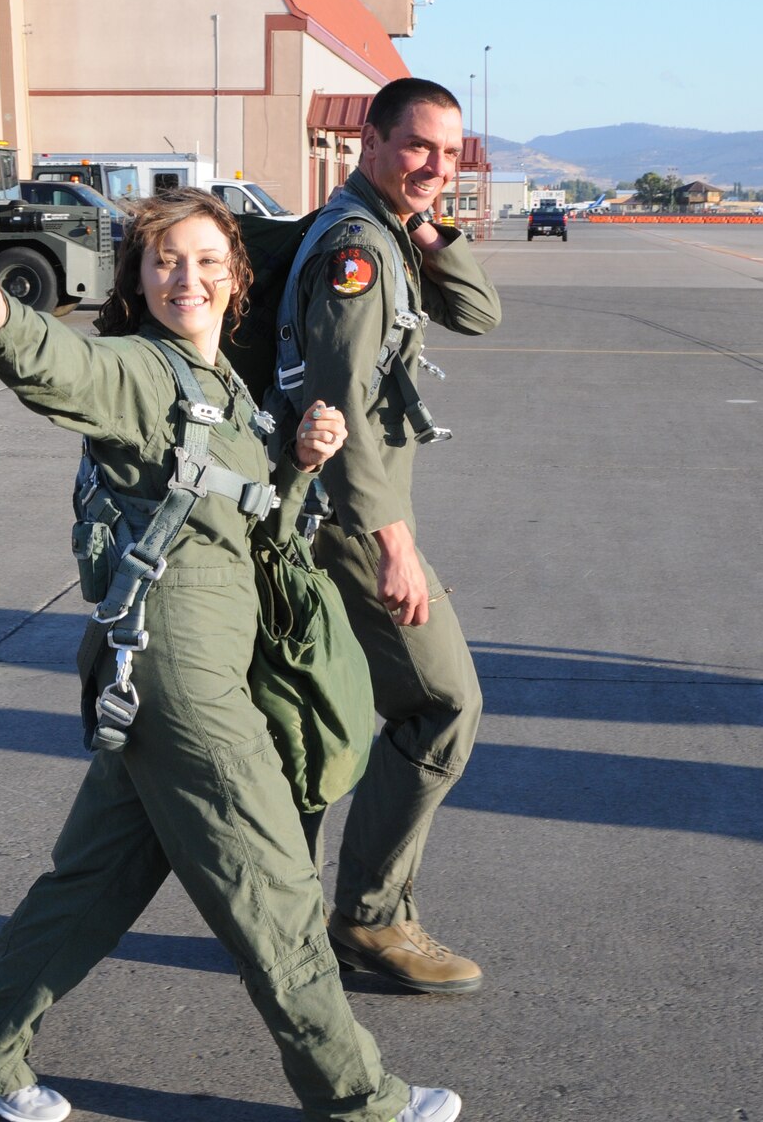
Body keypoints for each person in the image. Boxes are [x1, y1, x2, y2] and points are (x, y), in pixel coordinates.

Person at [0, 189, 461, 1122]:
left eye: (209, 260)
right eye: (167, 259)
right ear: (138, 276)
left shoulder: (229, 391)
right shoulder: (141, 370)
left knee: (95, 881)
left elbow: (251, 530)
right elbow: (70, 368)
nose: (190, 277)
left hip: (189, 656)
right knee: (272, 884)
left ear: (237, 278)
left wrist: (296, 459)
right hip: (179, 665)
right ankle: (357, 1097)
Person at [291, 78, 503, 994]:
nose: (435, 168)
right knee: (441, 705)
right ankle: (370, 921)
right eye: (417, 146)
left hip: (348, 516)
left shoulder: (390, 234)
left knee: (307, 727)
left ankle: (299, 918)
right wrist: (392, 542)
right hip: (345, 522)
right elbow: (338, 406)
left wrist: (428, 226)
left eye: (450, 154)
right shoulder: (356, 252)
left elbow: (481, 313)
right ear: (367, 142)